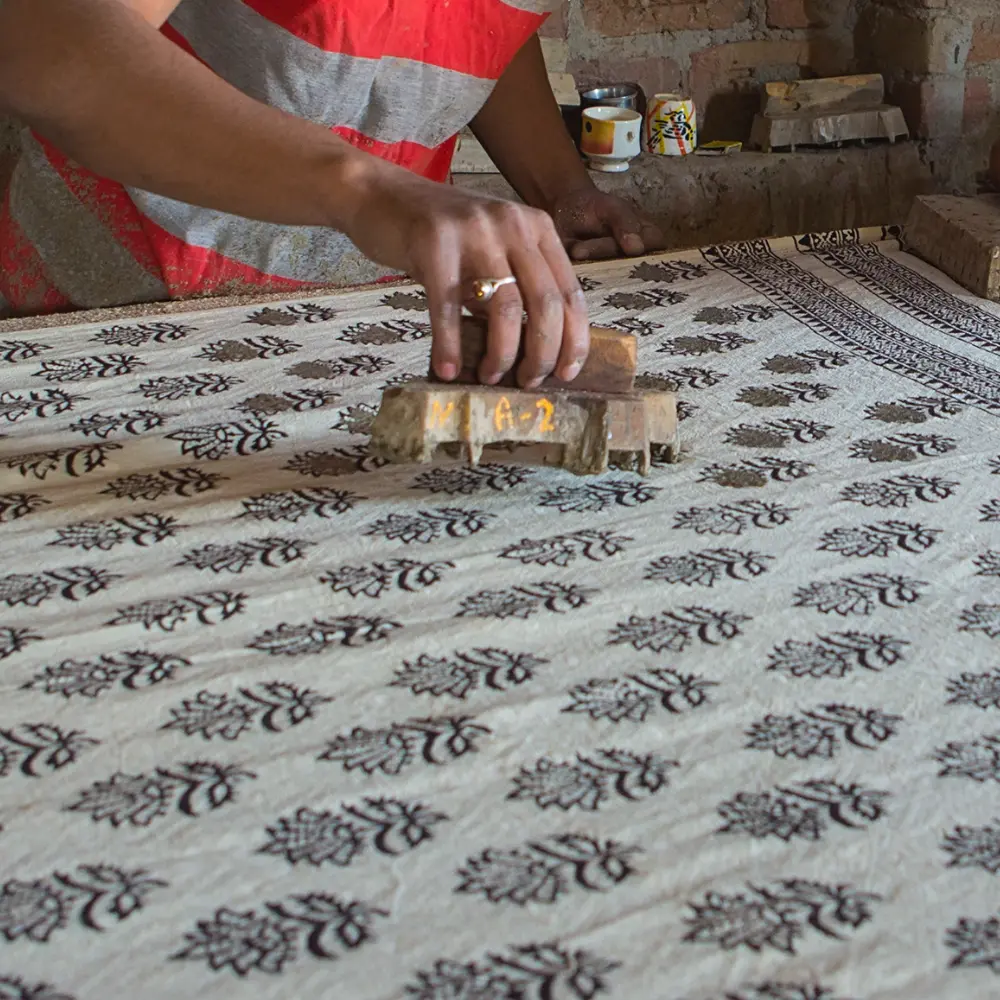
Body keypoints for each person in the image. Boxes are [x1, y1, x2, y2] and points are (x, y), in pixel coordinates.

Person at [0, 0, 664, 389]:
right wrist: (364, 188)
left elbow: (482, 23)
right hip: (114, 327)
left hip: (353, 344)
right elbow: (41, 43)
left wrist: (560, 187)